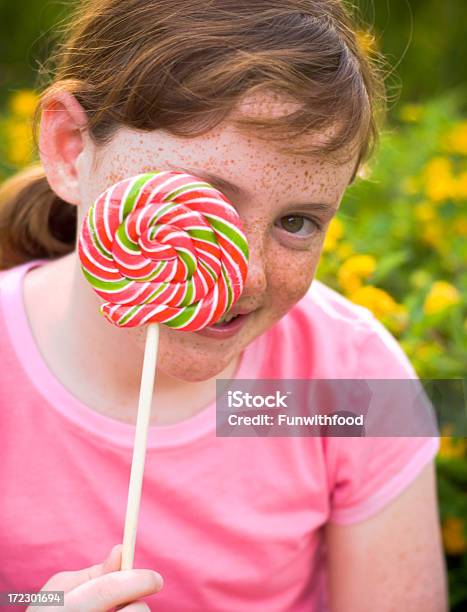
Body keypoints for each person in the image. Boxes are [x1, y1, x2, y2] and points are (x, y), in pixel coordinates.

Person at [0, 1, 447, 611]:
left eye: (297, 221)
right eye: (201, 199)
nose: (246, 278)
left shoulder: (354, 381)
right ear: (71, 147)